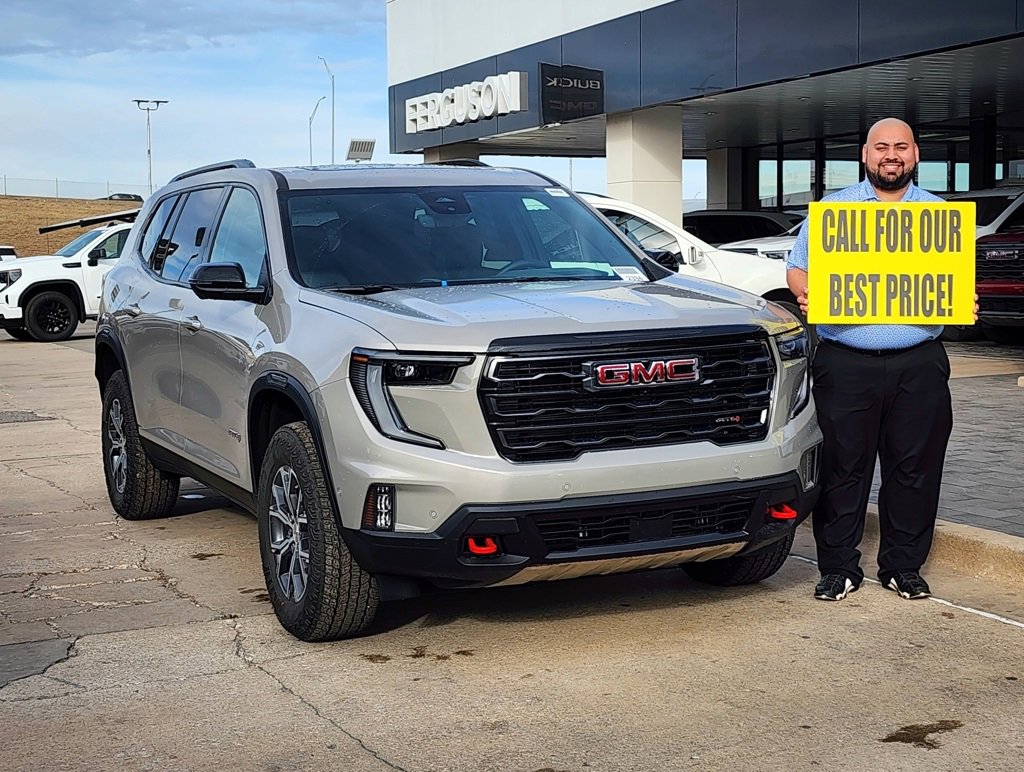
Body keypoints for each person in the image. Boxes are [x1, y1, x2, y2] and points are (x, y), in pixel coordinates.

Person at [786, 117, 977, 602]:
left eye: (901, 147)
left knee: (915, 469)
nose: (891, 155)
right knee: (842, 468)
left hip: (920, 361)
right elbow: (797, 267)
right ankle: (838, 567)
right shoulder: (833, 212)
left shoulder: (940, 217)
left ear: (915, 155)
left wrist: (965, 302)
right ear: (865, 156)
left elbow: (951, 283)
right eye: (881, 147)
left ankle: (903, 566)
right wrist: (807, 293)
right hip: (845, 362)